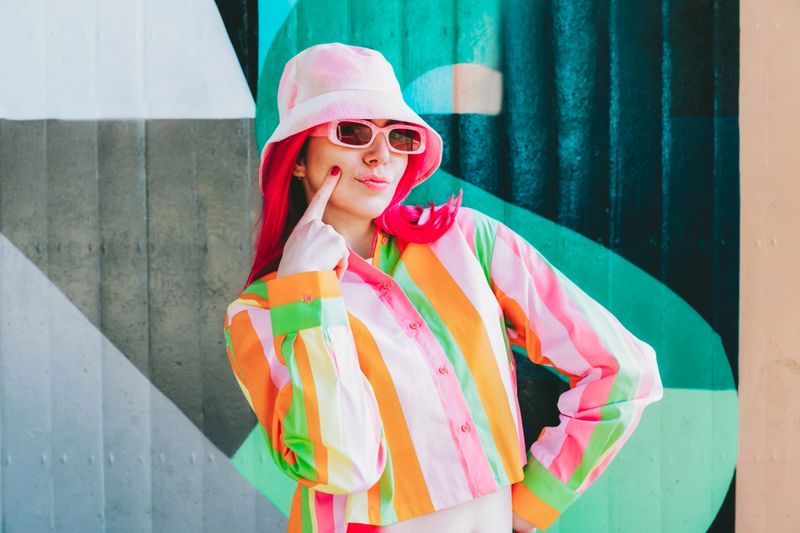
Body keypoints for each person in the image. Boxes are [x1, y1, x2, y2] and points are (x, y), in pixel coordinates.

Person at [223, 42, 664, 533]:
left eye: (399, 137)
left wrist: (531, 505)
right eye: (352, 131)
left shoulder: (469, 243)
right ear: (298, 158)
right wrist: (307, 294)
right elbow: (341, 467)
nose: (379, 154)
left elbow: (624, 371)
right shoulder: (262, 311)